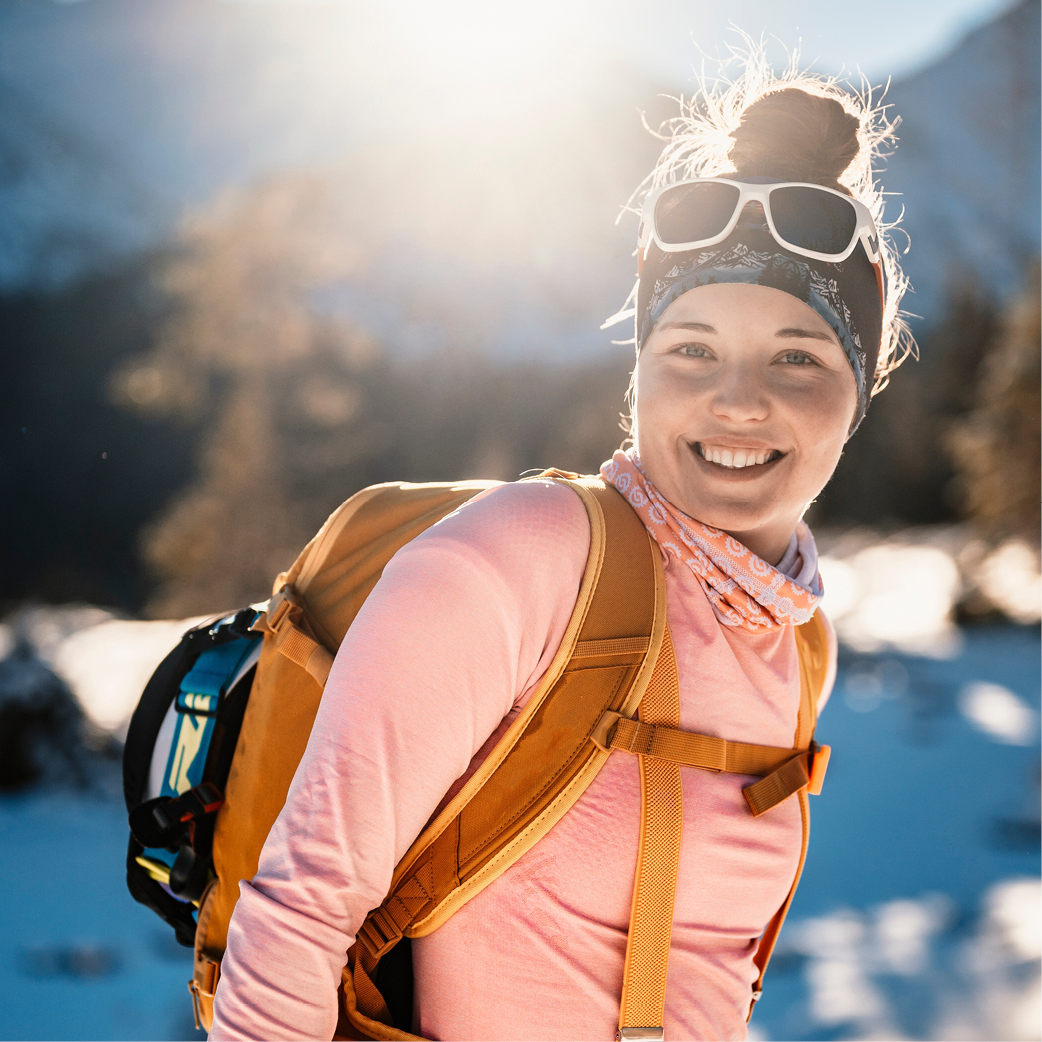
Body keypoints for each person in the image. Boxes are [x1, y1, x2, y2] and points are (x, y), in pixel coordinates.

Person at [208, 52, 912, 1042]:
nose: (737, 399)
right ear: (639, 373)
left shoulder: (795, 644)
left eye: (795, 355)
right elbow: (298, 905)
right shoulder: (527, 560)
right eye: (691, 349)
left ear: (861, 379)